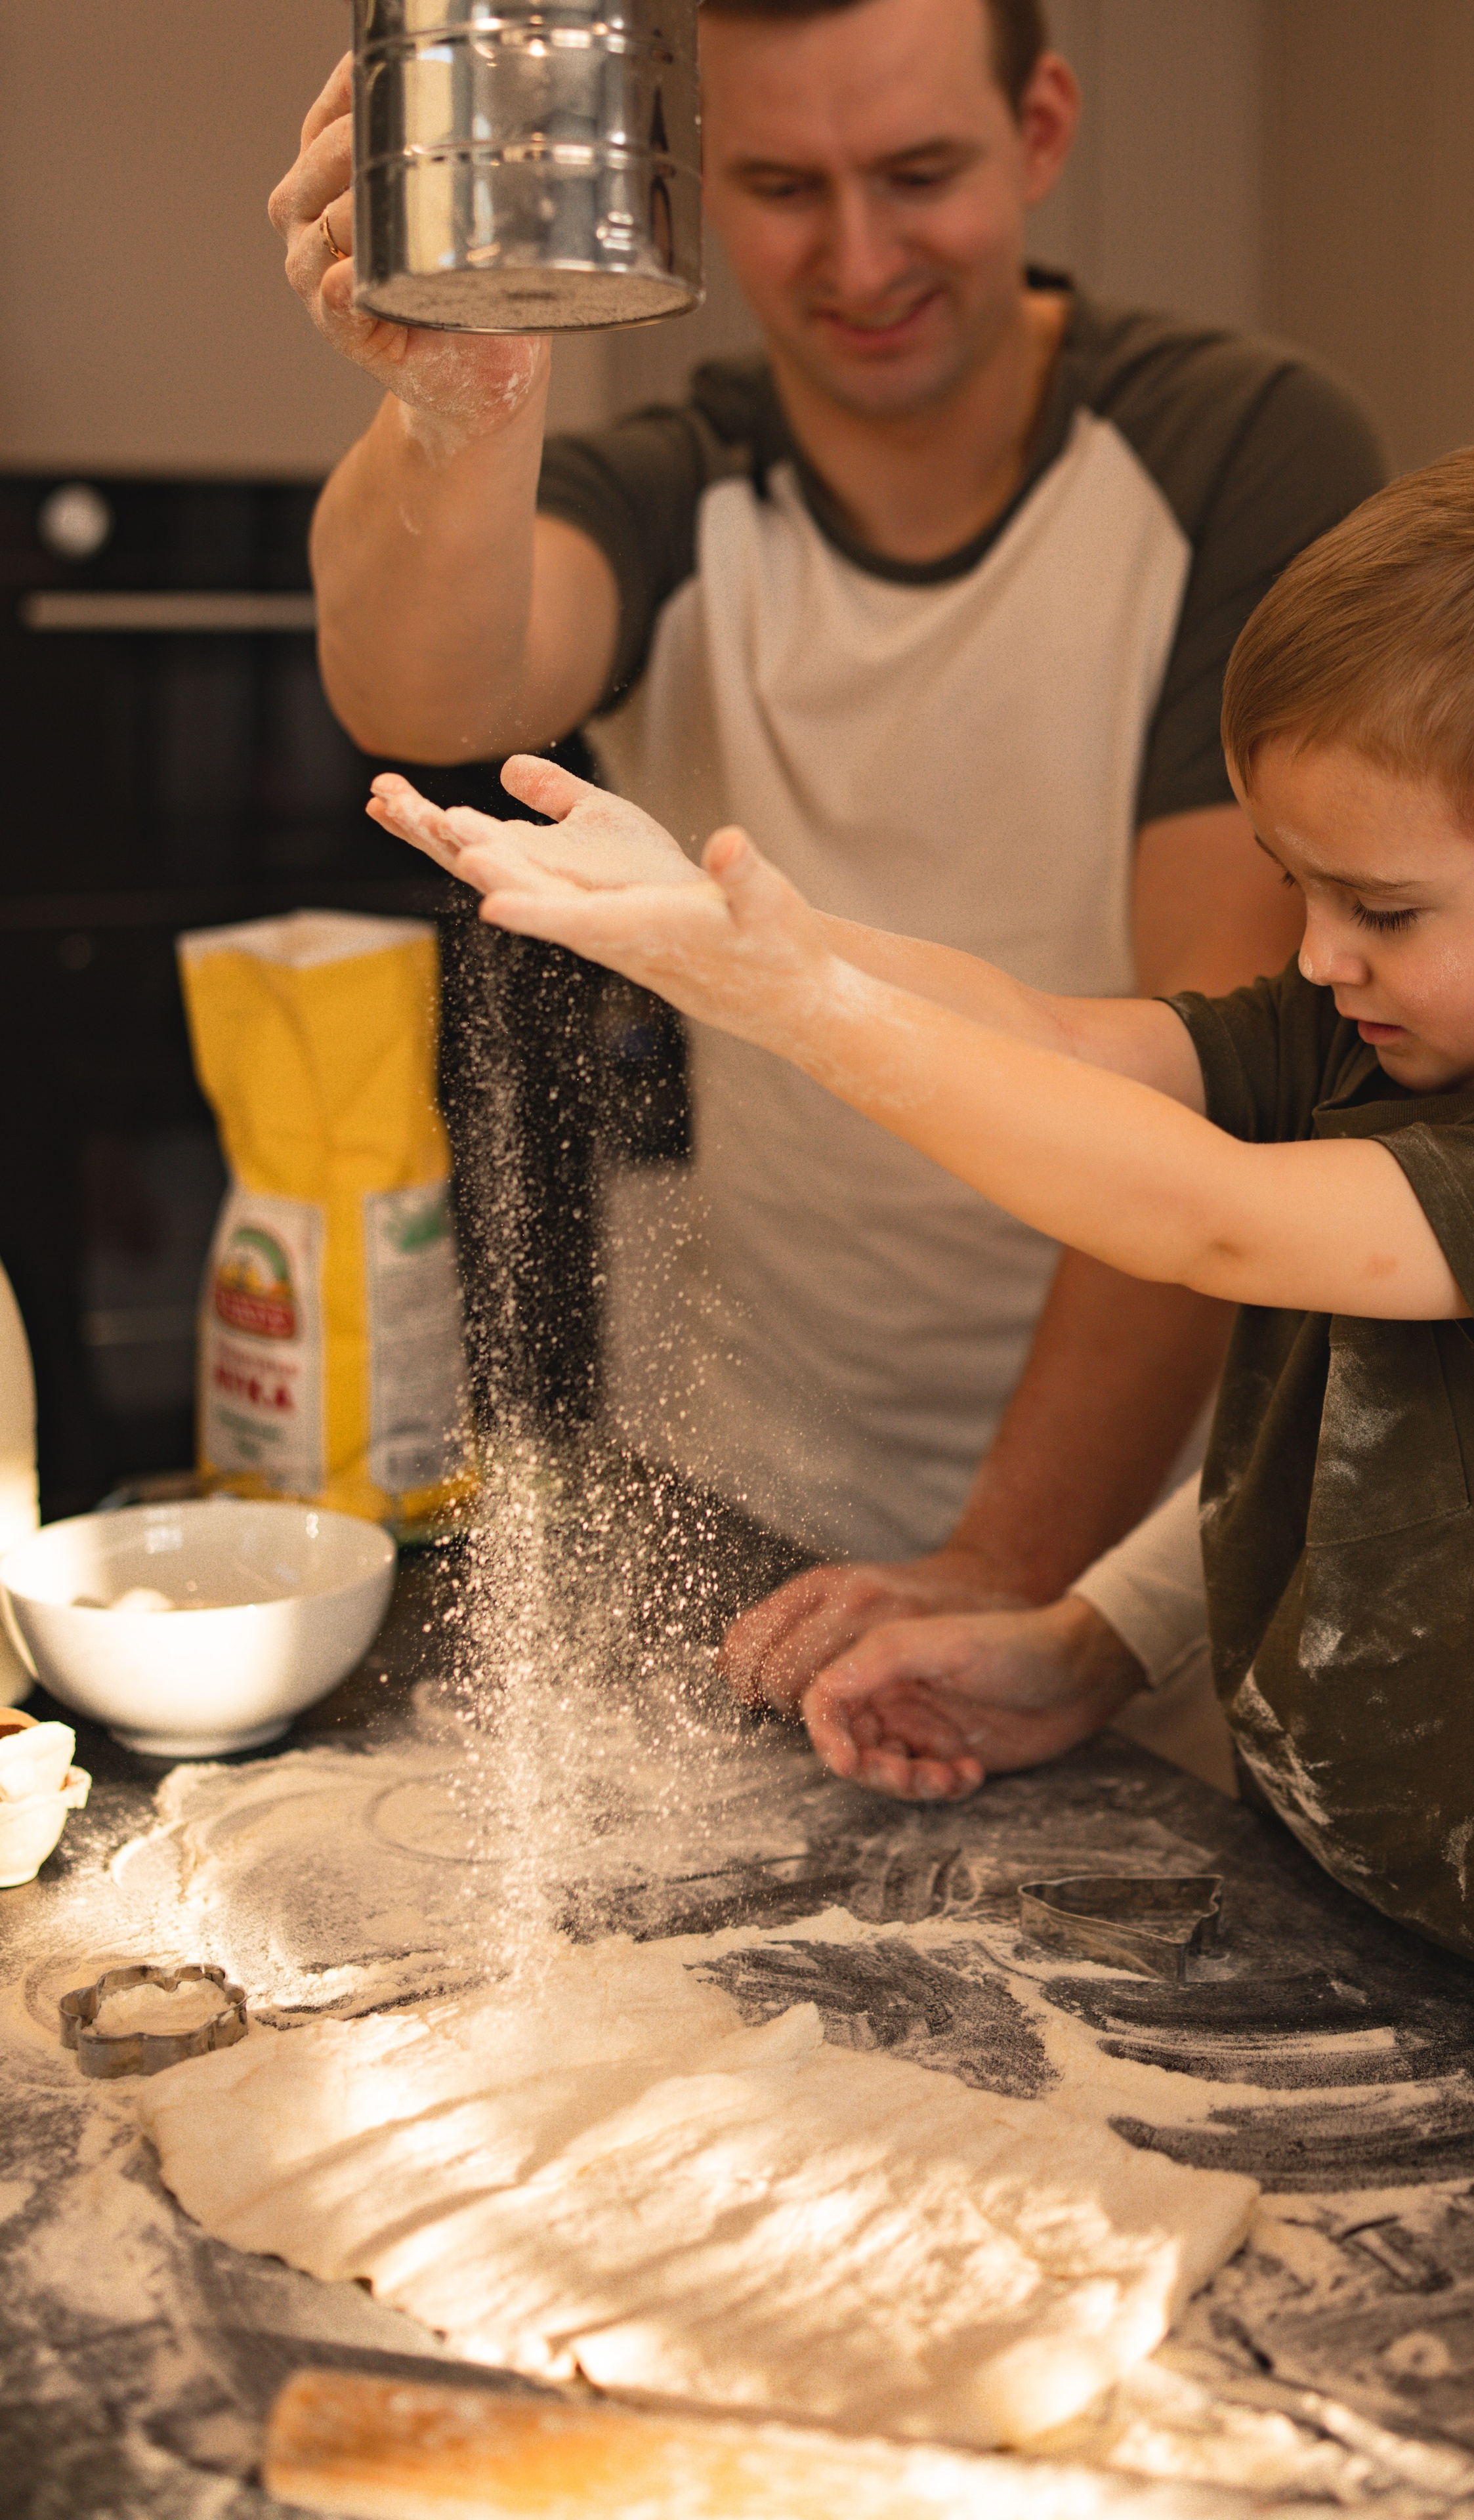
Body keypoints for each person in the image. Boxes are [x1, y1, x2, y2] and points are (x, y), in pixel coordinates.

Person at [367, 438, 1474, 2494]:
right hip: (1382, 1924)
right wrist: (732, 922)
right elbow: (1074, 1046)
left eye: (1379, 904)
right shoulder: (1402, 1025)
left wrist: (790, 1012)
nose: (1317, 952)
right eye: (1300, 887)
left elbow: (1211, 1222)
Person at [270, 0, 1381, 1750]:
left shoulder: (1240, 454)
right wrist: (456, 406)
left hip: (1154, 1545)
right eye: (783, 185)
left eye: (919, 172)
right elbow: (418, 692)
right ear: (700, 177)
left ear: (1040, 131)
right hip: (757, 1488)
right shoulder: (684, 491)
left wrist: (1008, 1560)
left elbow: (1217, 1079)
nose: (858, 257)